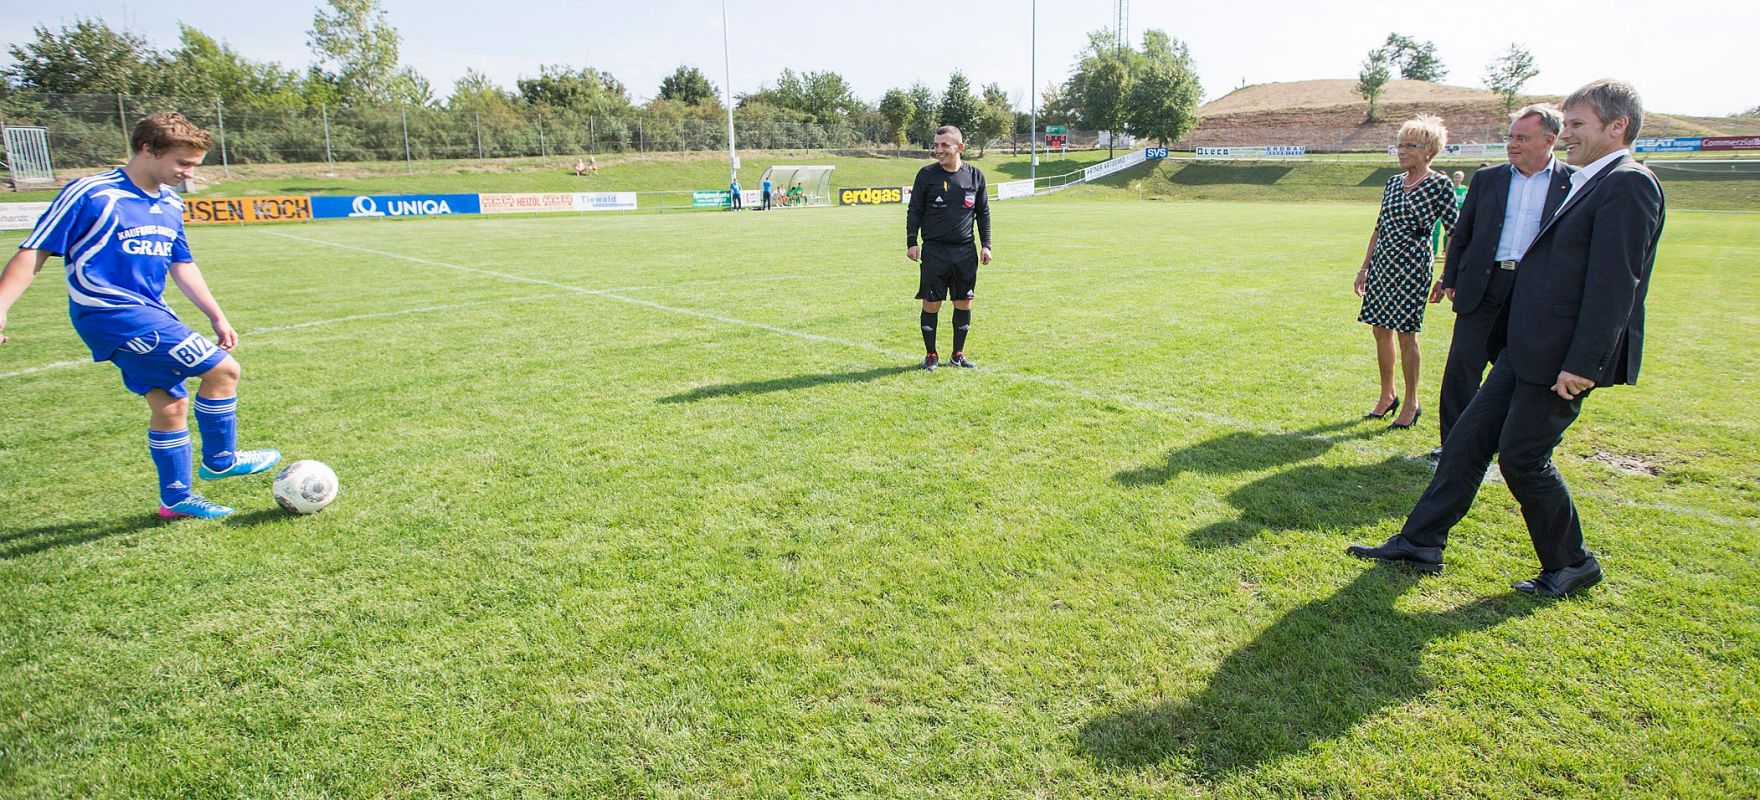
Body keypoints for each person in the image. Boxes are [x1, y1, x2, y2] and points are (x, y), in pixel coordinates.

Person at [1348, 79, 1666, 598]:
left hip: (1561, 356)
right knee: (1468, 440)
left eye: (1578, 125)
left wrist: (1584, 362)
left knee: (1522, 460)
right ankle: (1420, 542)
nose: (1568, 135)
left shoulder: (1628, 183)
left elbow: (1615, 285)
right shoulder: (1592, 178)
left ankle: (1572, 562)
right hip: (1527, 345)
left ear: (1617, 126)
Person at [0, 112, 280, 520]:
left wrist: (217, 315)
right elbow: (34, 251)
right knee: (223, 371)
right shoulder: (92, 193)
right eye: (182, 164)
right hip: (110, 312)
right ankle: (221, 458)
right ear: (148, 149)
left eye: (194, 166)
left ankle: (176, 500)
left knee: (170, 404)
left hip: (150, 311)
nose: (189, 174)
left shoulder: (170, 202)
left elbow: (181, 263)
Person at [1426, 106, 1575, 459]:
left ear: (1549, 140)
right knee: (1462, 367)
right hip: (1484, 285)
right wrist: (1451, 275)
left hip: (1535, 292)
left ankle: (1516, 442)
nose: (1512, 144)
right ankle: (1454, 446)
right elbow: (1464, 232)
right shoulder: (1489, 179)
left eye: (1522, 138)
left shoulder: (1572, 183)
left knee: (1525, 372)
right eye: (1510, 137)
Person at [1353, 115, 1459, 428]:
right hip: (1383, 262)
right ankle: (1388, 395)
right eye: (1399, 145)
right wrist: (1364, 266)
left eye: (1409, 145)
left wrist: (1446, 275)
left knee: (1406, 333)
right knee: (1378, 329)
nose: (1401, 151)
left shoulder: (1440, 185)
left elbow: (1454, 231)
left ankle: (1412, 401)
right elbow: (1379, 227)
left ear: (1428, 150)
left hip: (1413, 265)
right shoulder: (1391, 185)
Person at [906, 125, 992, 371]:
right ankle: (931, 355)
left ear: (959, 148)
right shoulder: (926, 175)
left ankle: (957, 354)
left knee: (964, 302)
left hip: (965, 251)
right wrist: (912, 241)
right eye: (936, 145)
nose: (939, 150)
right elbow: (915, 210)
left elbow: (983, 213)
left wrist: (986, 245)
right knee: (931, 303)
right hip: (934, 251)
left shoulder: (976, 176)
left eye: (944, 145)